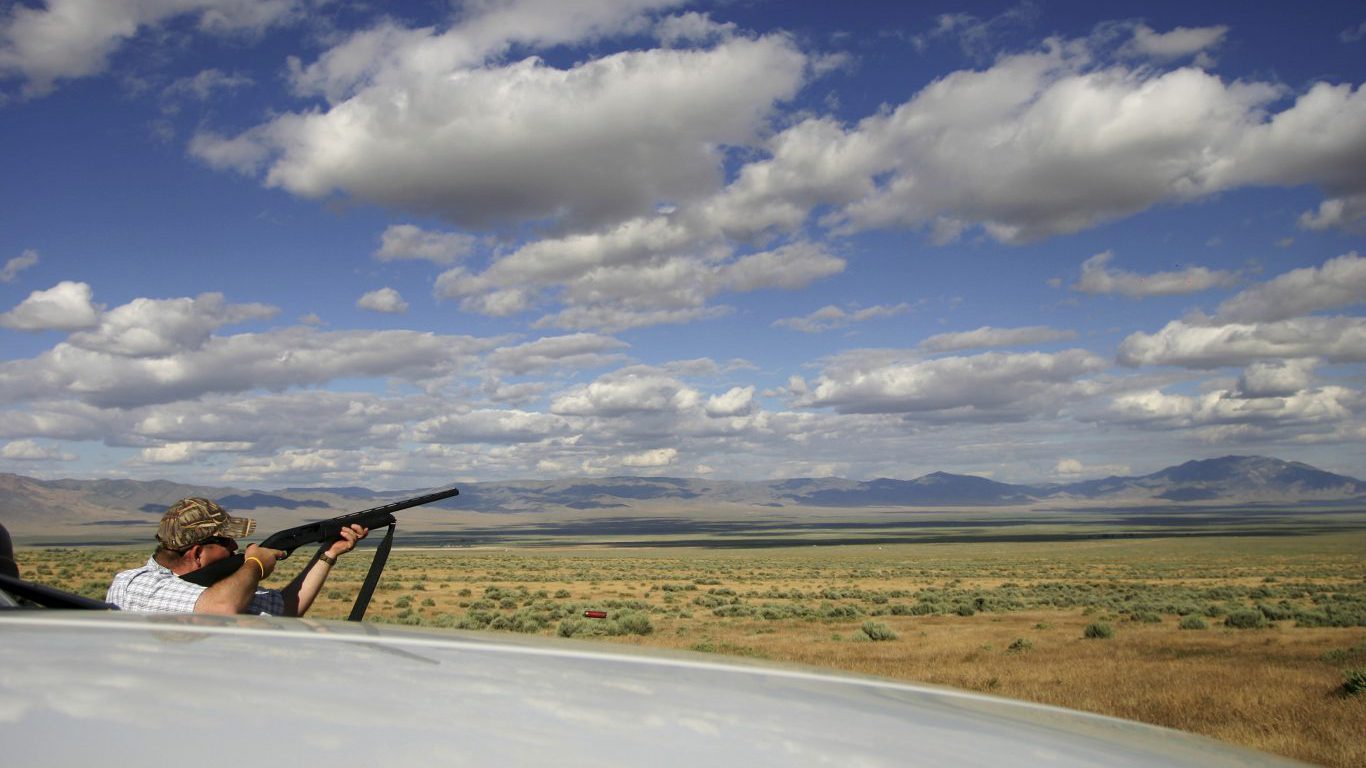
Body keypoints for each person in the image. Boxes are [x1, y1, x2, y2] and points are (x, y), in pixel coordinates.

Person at [106, 497, 367, 616]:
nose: (234, 546)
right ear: (197, 553)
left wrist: (328, 554)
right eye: (225, 541)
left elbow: (287, 607)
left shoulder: (223, 590)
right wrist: (254, 565)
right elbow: (222, 608)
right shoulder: (134, 584)